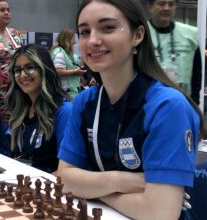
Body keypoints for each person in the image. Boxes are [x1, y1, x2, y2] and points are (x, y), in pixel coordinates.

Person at [57, 0, 205, 219]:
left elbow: (158, 213)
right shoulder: (85, 102)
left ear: (137, 35)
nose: (93, 40)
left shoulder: (168, 107)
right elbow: (65, 179)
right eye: (85, 31)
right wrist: (122, 181)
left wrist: (93, 190)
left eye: (108, 27)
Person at [5, 44, 72, 174]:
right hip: (18, 182)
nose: (23, 75)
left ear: (45, 69)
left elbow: (68, 169)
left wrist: (32, 187)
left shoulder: (64, 111)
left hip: (46, 189)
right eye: (17, 70)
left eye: (30, 68)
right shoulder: (19, 109)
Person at [147, 0, 202, 104]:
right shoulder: (140, 35)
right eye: (161, 3)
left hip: (184, 103)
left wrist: (194, 102)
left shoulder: (190, 35)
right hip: (148, 104)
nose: (166, 8)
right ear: (149, 7)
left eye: (171, 4)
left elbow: (196, 72)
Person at [51, 29, 86, 100]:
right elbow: (58, 71)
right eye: (73, 40)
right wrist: (75, 72)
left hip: (71, 91)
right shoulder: (59, 53)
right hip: (65, 93)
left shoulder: (66, 53)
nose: (75, 42)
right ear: (67, 40)